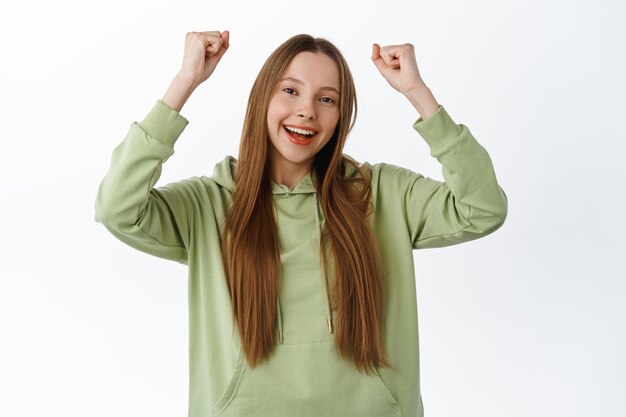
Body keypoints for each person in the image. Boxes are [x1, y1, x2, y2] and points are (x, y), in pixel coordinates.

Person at [95, 30, 507, 417]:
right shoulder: (210, 204)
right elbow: (117, 207)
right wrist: (183, 83)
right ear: (262, 100)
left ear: (341, 116)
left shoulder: (383, 194)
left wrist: (419, 95)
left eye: (327, 99)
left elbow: (482, 208)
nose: (307, 110)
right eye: (290, 91)